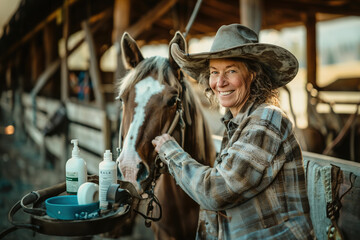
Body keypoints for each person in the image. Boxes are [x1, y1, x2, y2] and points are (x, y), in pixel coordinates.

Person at [152, 23, 314, 239]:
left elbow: (215, 192)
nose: (220, 82)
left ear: (253, 74)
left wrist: (171, 151)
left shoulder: (267, 119)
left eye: (231, 71)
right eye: (214, 72)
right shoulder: (237, 123)